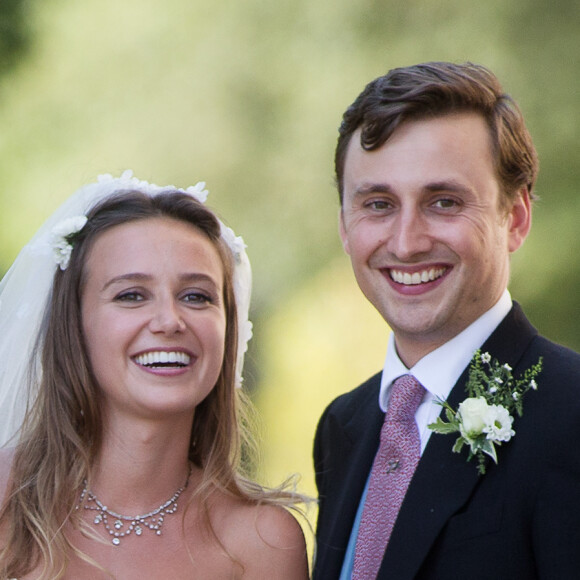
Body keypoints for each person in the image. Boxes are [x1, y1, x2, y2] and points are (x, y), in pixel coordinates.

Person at [313, 62, 580, 579]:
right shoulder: (342, 426)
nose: (407, 241)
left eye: (443, 202)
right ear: (345, 226)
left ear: (516, 218)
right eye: (378, 204)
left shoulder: (572, 415)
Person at [0, 171, 309, 579]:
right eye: (131, 295)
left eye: (196, 296)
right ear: (73, 325)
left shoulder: (262, 542)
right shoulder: (8, 499)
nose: (169, 321)